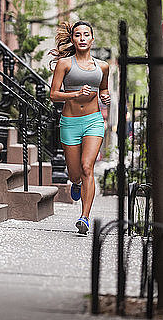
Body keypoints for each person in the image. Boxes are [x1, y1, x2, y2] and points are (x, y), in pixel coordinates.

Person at [49, 21, 110, 234]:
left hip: (93, 121)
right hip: (70, 122)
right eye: (78, 35)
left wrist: (105, 96)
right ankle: (75, 183)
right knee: (75, 174)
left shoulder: (102, 66)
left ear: (92, 39)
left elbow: (103, 90)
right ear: (73, 39)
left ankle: (84, 217)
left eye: (86, 35)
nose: (82, 38)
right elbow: (53, 95)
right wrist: (75, 94)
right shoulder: (65, 64)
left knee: (87, 167)